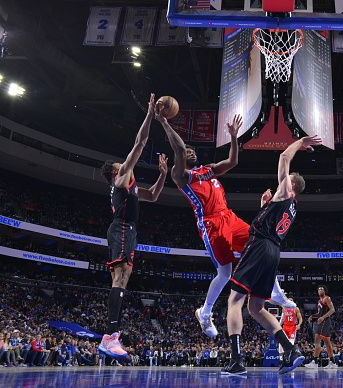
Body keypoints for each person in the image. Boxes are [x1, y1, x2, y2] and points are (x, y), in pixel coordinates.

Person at [156, 113, 295, 338]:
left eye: (193, 150)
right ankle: (205, 312)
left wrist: (233, 137)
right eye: (186, 151)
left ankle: (276, 293)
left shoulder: (207, 169)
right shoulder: (180, 175)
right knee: (225, 272)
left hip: (229, 217)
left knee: (259, 246)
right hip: (211, 223)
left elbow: (232, 162)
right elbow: (180, 150)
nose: (189, 152)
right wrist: (164, 121)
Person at [222, 135, 322, 376]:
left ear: (291, 185)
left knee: (234, 301)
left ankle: (236, 360)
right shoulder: (291, 207)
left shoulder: (286, 191)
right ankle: (290, 350)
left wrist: (301, 141)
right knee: (256, 307)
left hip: (259, 247)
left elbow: (284, 156)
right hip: (273, 251)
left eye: (286, 179)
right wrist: (264, 206)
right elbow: (267, 223)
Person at [98, 93, 168, 360]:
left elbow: (152, 195)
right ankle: (109, 337)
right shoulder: (120, 179)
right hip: (122, 228)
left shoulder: (130, 184)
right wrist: (150, 113)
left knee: (124, 278)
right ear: (116, 172)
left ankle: (111, 336)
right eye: (121, 164)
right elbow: (140, 143)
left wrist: (162, 175)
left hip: (129, 230)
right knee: (120, 277)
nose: (123, 163)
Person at [305, 285, 337, 369]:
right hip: (323, 322)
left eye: (322, 289)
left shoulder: (327, 298)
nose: (320, 290)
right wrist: (313, 316)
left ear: (324, 291)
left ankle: (314, 362)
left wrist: (323, 317)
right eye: (319, 289)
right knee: (327, 342)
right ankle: (332, 362)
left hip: (324, 322)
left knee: (317, 340)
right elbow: (320, 314)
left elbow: (332, 310)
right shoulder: (319, 300)